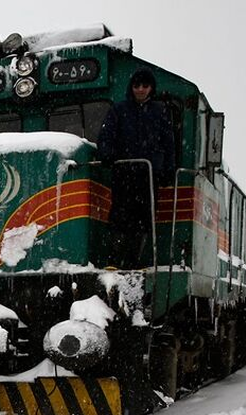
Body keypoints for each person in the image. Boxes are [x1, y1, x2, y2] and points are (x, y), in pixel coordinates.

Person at [96, 67, 177, 269]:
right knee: (119, 216)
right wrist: (107, 154)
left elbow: (169, 143)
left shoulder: (161, 112)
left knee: (143, 219)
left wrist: (168, 170)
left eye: (145, 86)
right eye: (136, 85)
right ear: (131, 87)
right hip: (123, 173)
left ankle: (134, 261)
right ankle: (114, 260)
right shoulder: (118, 110)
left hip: (149, 176)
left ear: (151, 88)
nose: (140, 90)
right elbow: (105, 136)